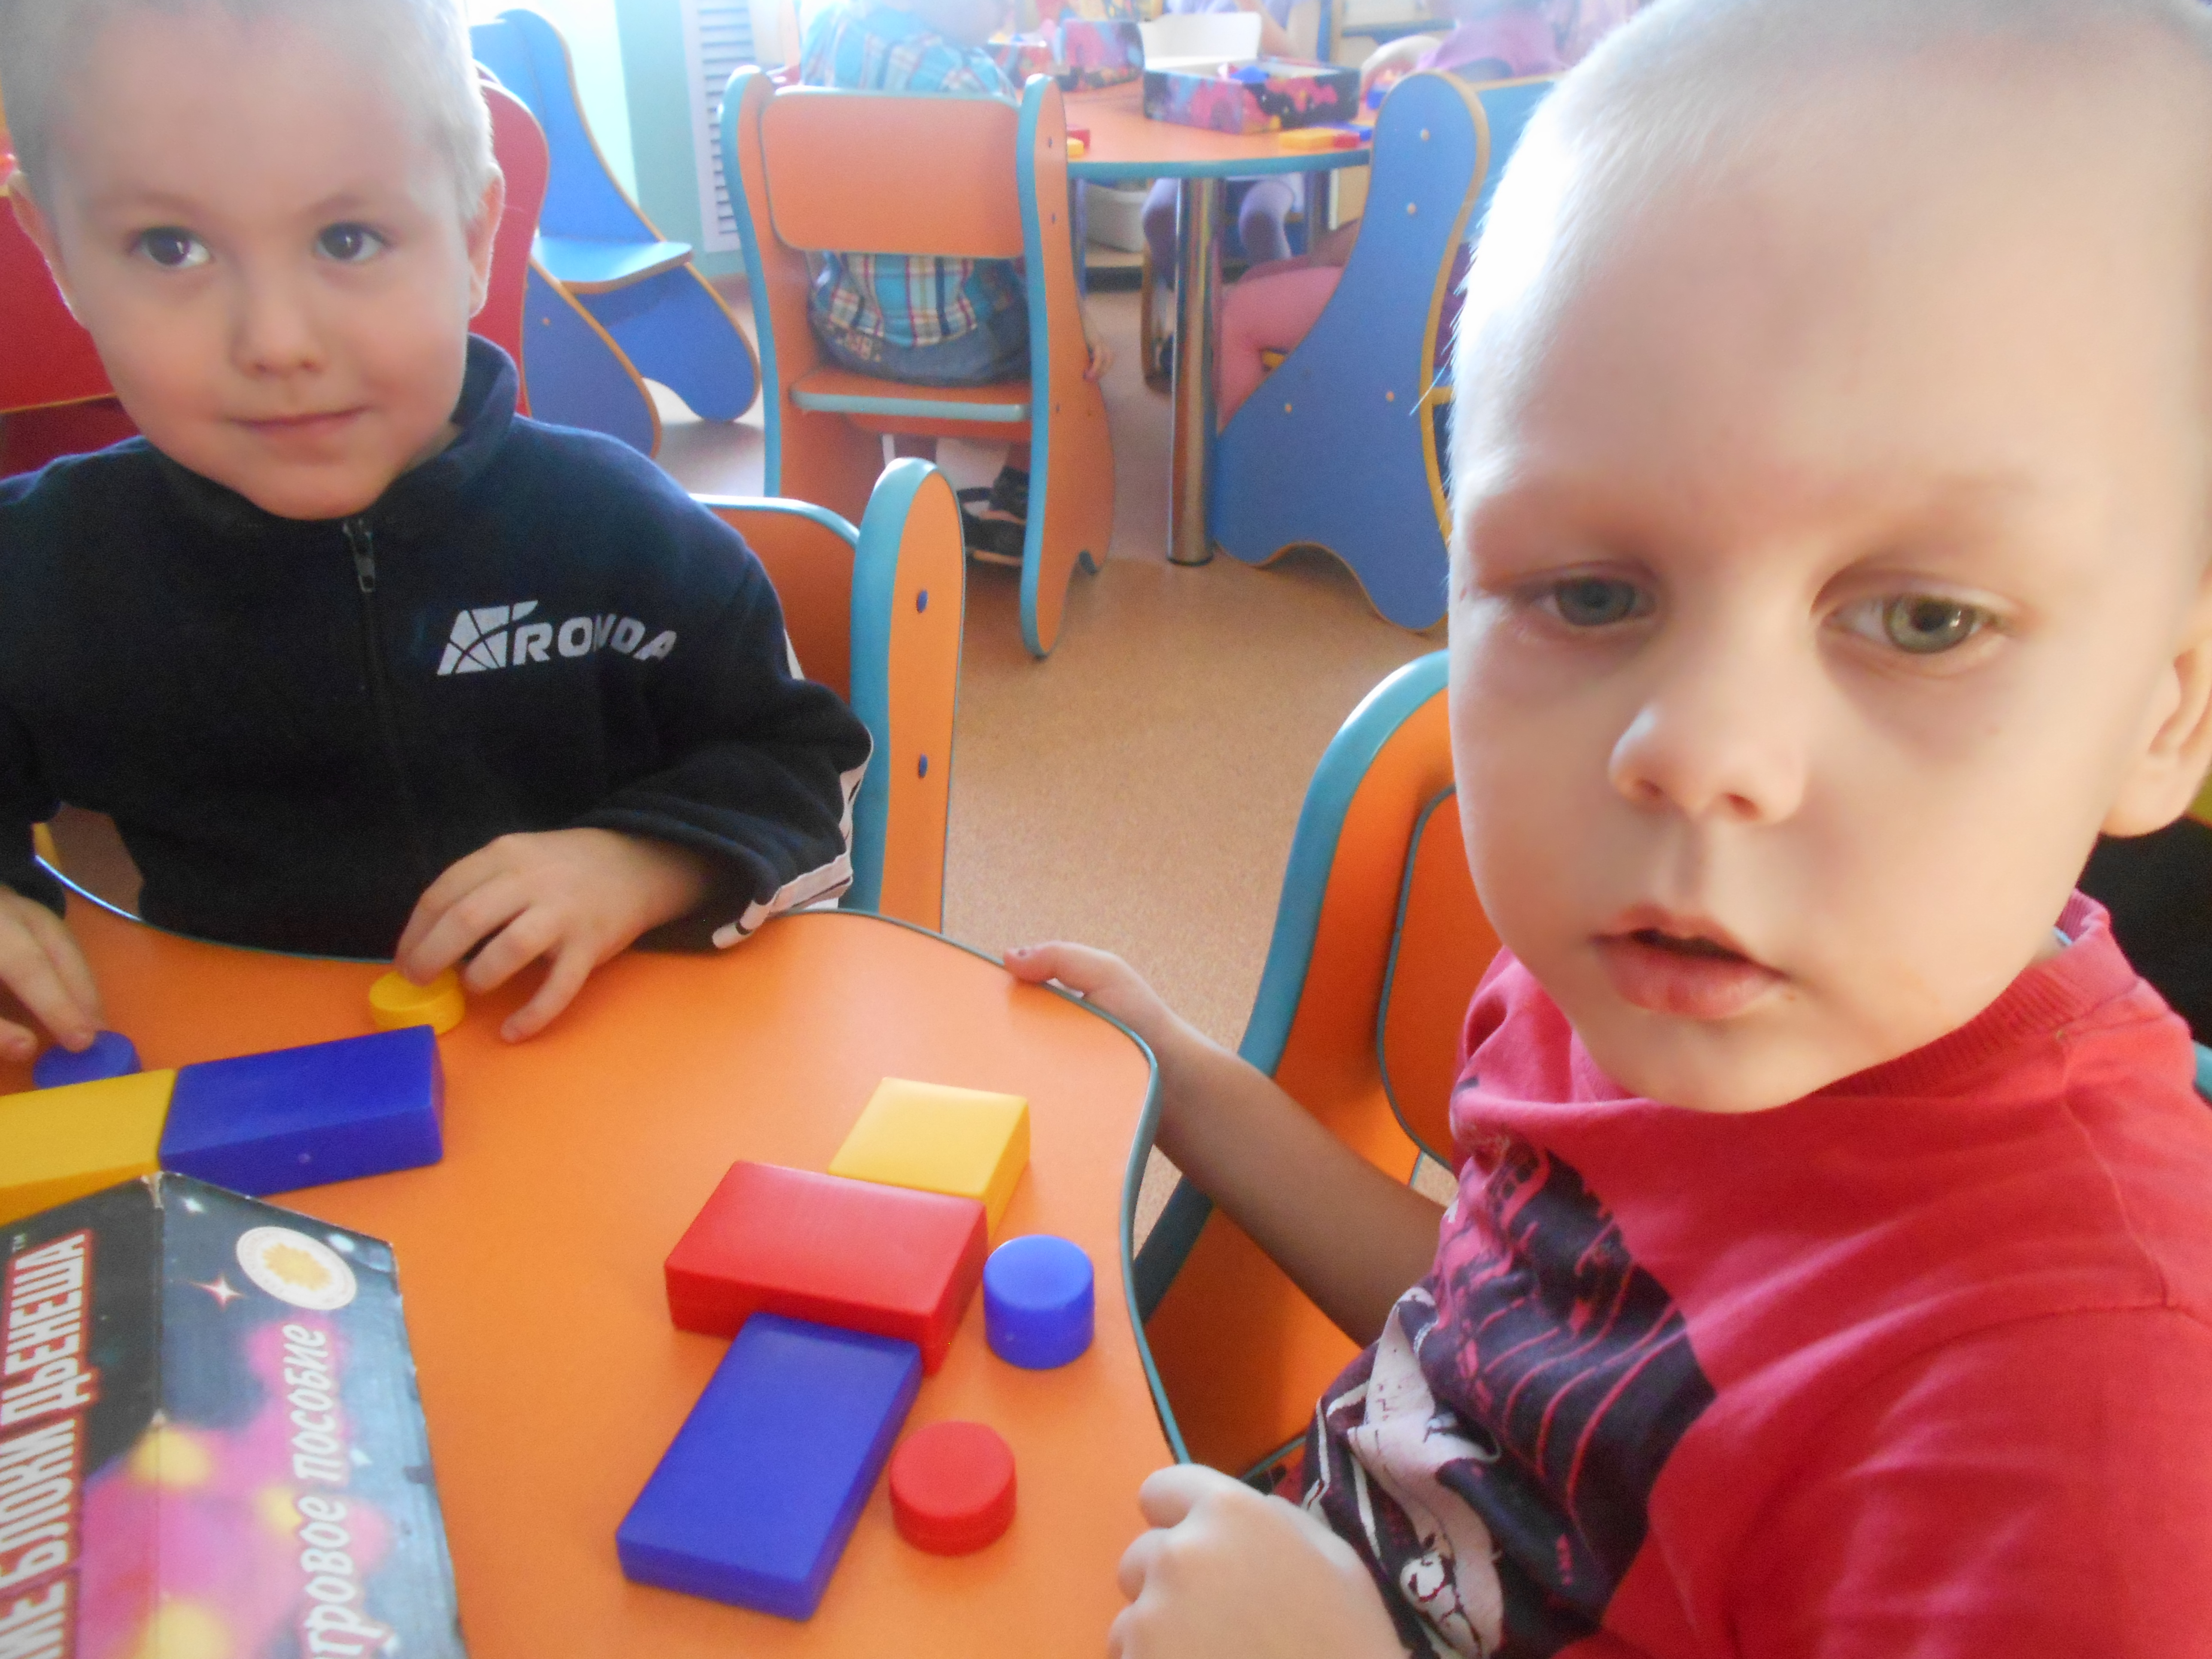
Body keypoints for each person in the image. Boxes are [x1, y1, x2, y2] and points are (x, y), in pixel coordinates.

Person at [1010, 0, 2212, 1651]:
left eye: (1923, 619)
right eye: (1590, 593)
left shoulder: (2093, 1408)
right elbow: (1498, 1365)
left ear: (2167, 713)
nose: (1693, 755)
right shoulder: (1617, 969)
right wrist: (1196, 1088)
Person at [0, 0, 874, 1055]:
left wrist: (644, 861)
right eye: (169, 247)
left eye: (348, 239)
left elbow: (802, 767)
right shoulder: (45, 570)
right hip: (245, 1092)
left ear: (471, 240)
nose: (276, 341)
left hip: (594, 1068)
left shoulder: (625, 536)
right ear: (56, 254)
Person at [801, 0, 1108, 563]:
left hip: (847, 332)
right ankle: (1016, 503)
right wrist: (1078, 317)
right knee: (1060, 343)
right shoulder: (975, 85)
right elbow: (1032, 238)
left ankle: (915, 485)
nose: (1008, 13)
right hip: (954, 349)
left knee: (910, 276)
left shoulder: (829, 29)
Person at [1213, 0, 1566, 419]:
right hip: (1487, 289)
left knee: (1237, 313)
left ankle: (1250, 459)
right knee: (1257, 278)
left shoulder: (1463, 76)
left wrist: (1331, 248)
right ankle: (1299, 430)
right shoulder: (1529, 39)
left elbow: (1409, 226)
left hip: (1424, 301)